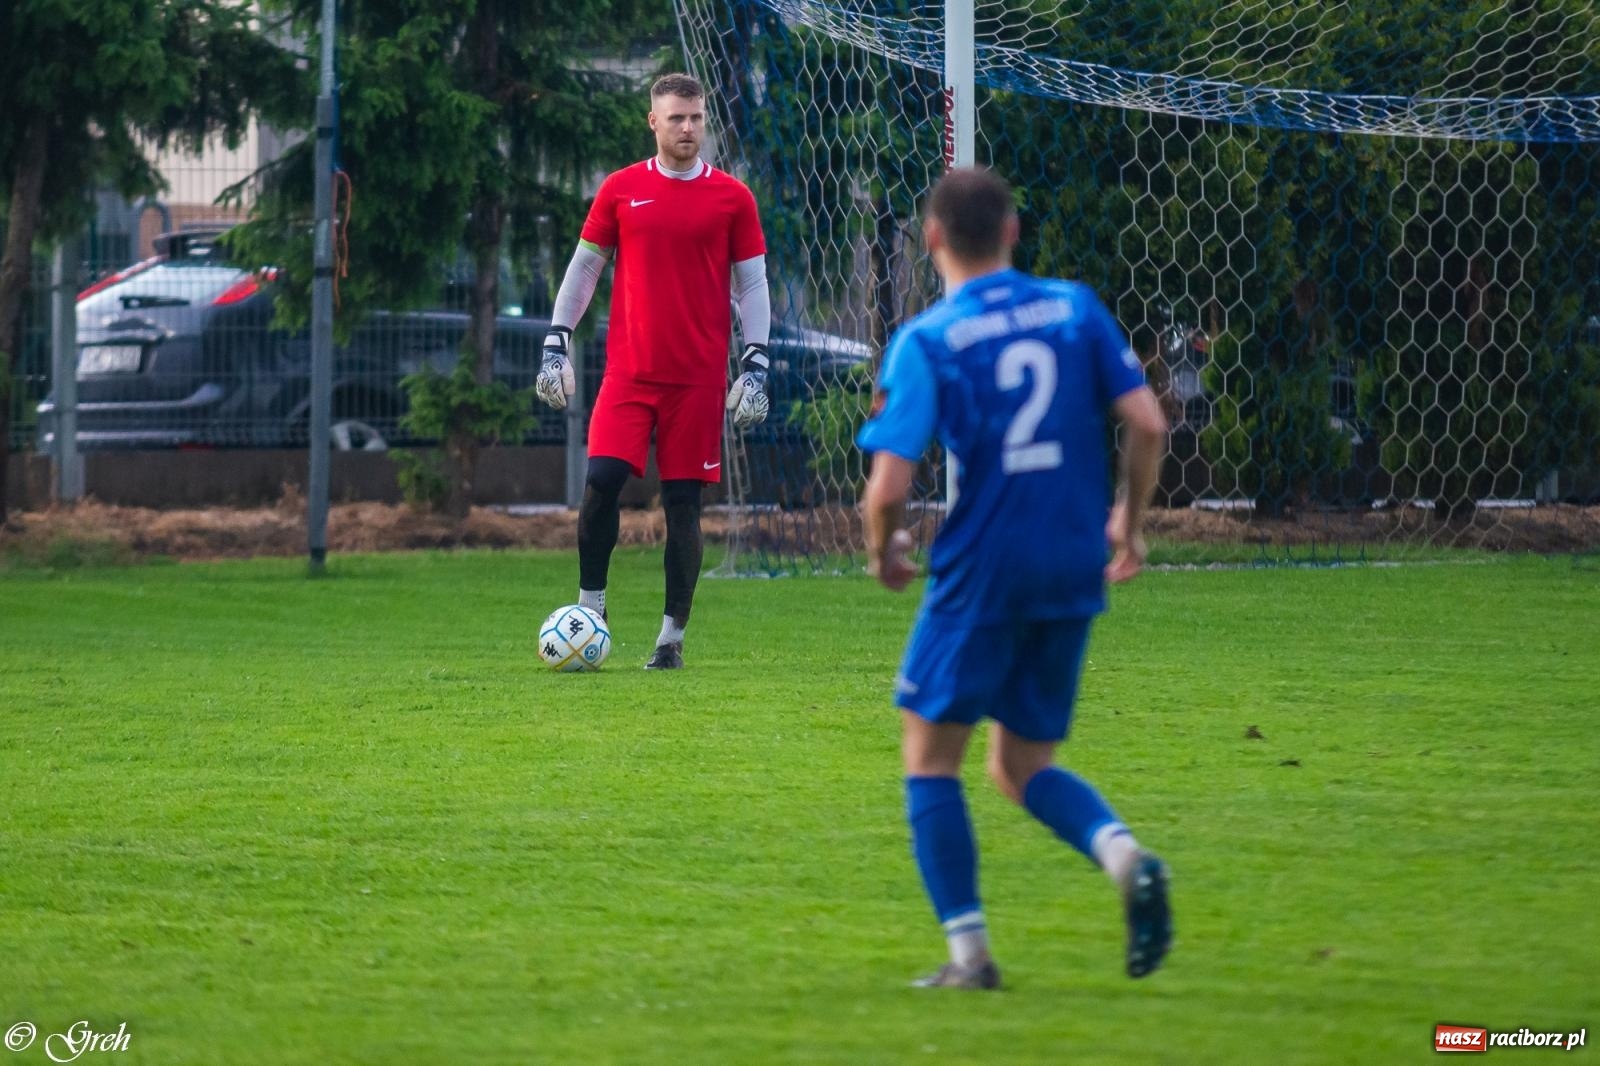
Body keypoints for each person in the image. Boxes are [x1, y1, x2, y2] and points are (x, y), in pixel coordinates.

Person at [856, 166, 1173, 989]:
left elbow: (888, 487)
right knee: (1021, 766)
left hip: (984, 566)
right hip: (1071, 558)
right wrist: (1127, 522)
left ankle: (971, 959)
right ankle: (1125, 856)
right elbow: (1146, 421)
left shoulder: (928, 339)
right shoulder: (1074, 306)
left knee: (932, 760)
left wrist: (884, 547)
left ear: (930, 239)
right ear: (1013, 232)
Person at [536, 73, 771, 670]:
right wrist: (556, 341)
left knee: (684, 505)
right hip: (629, 374)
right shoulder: (620, 189)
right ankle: (592, 610)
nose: (687, 128)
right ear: (654, 122)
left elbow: (753, 284)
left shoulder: (732, 198)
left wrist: (757, 361)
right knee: (602, 482)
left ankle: (670, 640)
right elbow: (584, 269)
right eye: (676, 119)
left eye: (695, 118)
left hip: (697, 379)